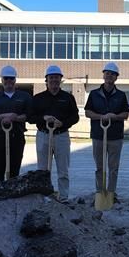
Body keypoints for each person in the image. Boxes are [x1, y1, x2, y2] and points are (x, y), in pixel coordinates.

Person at [29, 65, 80, 203]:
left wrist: (62, 123)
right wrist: (43, 118)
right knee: (43, 170)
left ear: (60, 80)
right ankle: (44, 196)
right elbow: (30, 117)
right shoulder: (38, 98)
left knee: (63, 170)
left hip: (61, 135)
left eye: (57, 78)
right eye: (51, 78)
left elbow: (75, 117)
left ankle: (63, 197)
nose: (54, 80)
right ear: (46, 80)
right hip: (43, 135)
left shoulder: (68, 97)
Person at [84, 62, 129, 204]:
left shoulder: (121, 95)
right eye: (107, 73)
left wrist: (113, 116)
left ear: (116, 77)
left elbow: (125, 114)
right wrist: (101, 117)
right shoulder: (94, 94)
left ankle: (111, 193)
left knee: (113, 167)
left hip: (115, 136)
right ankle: (100, 192)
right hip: (98, 135)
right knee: (99, 166)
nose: (109, 76)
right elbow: (87, 112)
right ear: (103, 75)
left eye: (112, 74)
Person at [0, 65, 33, 186]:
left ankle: (12, 196)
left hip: (17, 136)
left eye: (11, 78)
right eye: (6, 78)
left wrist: (16, 117)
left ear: (15, 80)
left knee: (14, 169)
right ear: (2, 80)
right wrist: (2, 117)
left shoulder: (24, 96)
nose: (9, 81)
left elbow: (30, 115)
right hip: (0, 136)